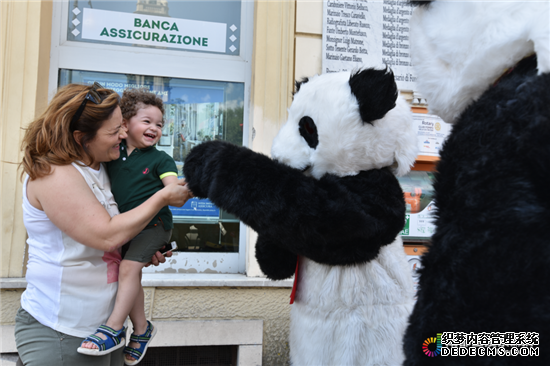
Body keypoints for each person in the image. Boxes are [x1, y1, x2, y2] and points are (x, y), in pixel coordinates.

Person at [14, 82, 192, 366]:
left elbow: (120, 231)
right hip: (63, 328)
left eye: (122, 125)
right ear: (81, 137)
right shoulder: (54, 173)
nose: (123, 135)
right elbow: (107, 235)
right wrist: (161, 198)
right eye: (114, 131)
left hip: (104, 331)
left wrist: (142, 248)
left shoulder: (102, 166)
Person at [78, 88, 179, 365]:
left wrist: (178, 189)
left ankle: (113, 328)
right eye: (146, 121)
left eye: (159, 124)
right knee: (131, 277)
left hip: (154, 226)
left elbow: (172, 189)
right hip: (125, 226)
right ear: (125, 124)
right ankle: (143, 330)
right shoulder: (113, 152)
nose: (154, 128)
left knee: (128, 269)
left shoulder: (162, 159)